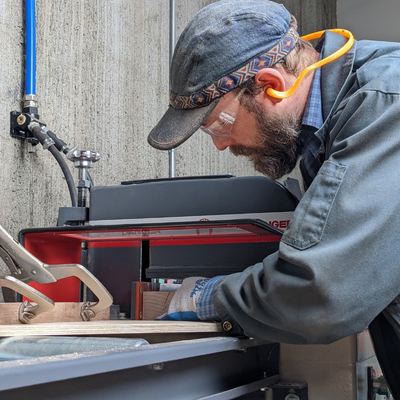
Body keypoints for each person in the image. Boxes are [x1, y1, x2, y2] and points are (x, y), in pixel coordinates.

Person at [148, 0, 400, 395]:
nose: (221, 146)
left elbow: (323, 293)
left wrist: (206, 297)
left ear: (272, 85)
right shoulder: (331, 124)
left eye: (218, 126)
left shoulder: (385, 106)